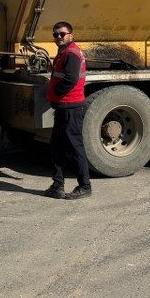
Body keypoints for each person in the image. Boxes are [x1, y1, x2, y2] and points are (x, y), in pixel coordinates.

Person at [44, 21, 91, 200]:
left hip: (71, 106)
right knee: (57, 146)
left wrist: (56, 92)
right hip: (63, 106)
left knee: (74, 146)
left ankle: (85, 186)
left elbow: (70, 79)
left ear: (71, 35)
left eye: (62, 34)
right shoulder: (64, 52)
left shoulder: (71, 53)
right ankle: (57, 185)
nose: (58, 37)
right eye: (55, 34)